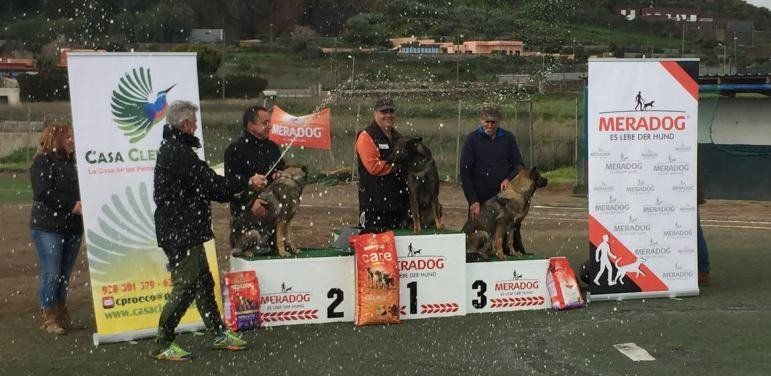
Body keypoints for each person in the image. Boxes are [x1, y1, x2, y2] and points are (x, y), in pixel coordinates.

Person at [153, 100, 266, 361]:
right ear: (185, 124)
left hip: (185, 229)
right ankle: (163, 342)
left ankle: (217, 333)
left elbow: (208, 183)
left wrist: (239, 185)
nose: (196, 127)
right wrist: (247, 182)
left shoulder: (178, 149)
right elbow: (212, 185)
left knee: (204, 282)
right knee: (186, 286)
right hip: (179, 231)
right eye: (194, 122)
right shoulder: (177, 152)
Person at [29, 122, 83, 335]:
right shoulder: (42, 161)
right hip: (48, 228)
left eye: (73, 136)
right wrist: (71, 205)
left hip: (72, 228)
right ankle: (49, 316)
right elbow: (42, 192)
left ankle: (61, 314)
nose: (72, 140)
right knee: (52, 273)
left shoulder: (74, 163)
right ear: (55, 139)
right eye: (68, 136)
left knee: (63, 274)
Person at [224, 105, 284, 255]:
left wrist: (280, 175)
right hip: (246, 221)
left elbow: (281, 171)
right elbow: (231, 184)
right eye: (265, 123)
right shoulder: (235, 149)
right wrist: (251, 202)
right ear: (251, 126)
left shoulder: (273, 148)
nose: (270, 126)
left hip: (271, 219)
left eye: (270, 122)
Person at [460, 104, 525, 222]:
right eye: (487, 121)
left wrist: (508, 179)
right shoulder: (472, 139)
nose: (489, 125)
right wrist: (473, 200)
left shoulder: (508, 138)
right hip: (480, 197)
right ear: (481, 120)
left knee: (507, 232)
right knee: (477, 232)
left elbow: (519, 165)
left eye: (493, 122)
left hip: (503, 197)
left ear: (499, 121)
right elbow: (465, 172)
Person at [355, 97, 409, 233]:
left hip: (398, 206)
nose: (388, 115)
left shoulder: (399, 137)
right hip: (374, 207)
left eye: (391, 111)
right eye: (384, 112)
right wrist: (396, 167)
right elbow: (374, 167)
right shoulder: (366, 136)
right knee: (373, 248)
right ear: (375, 114)